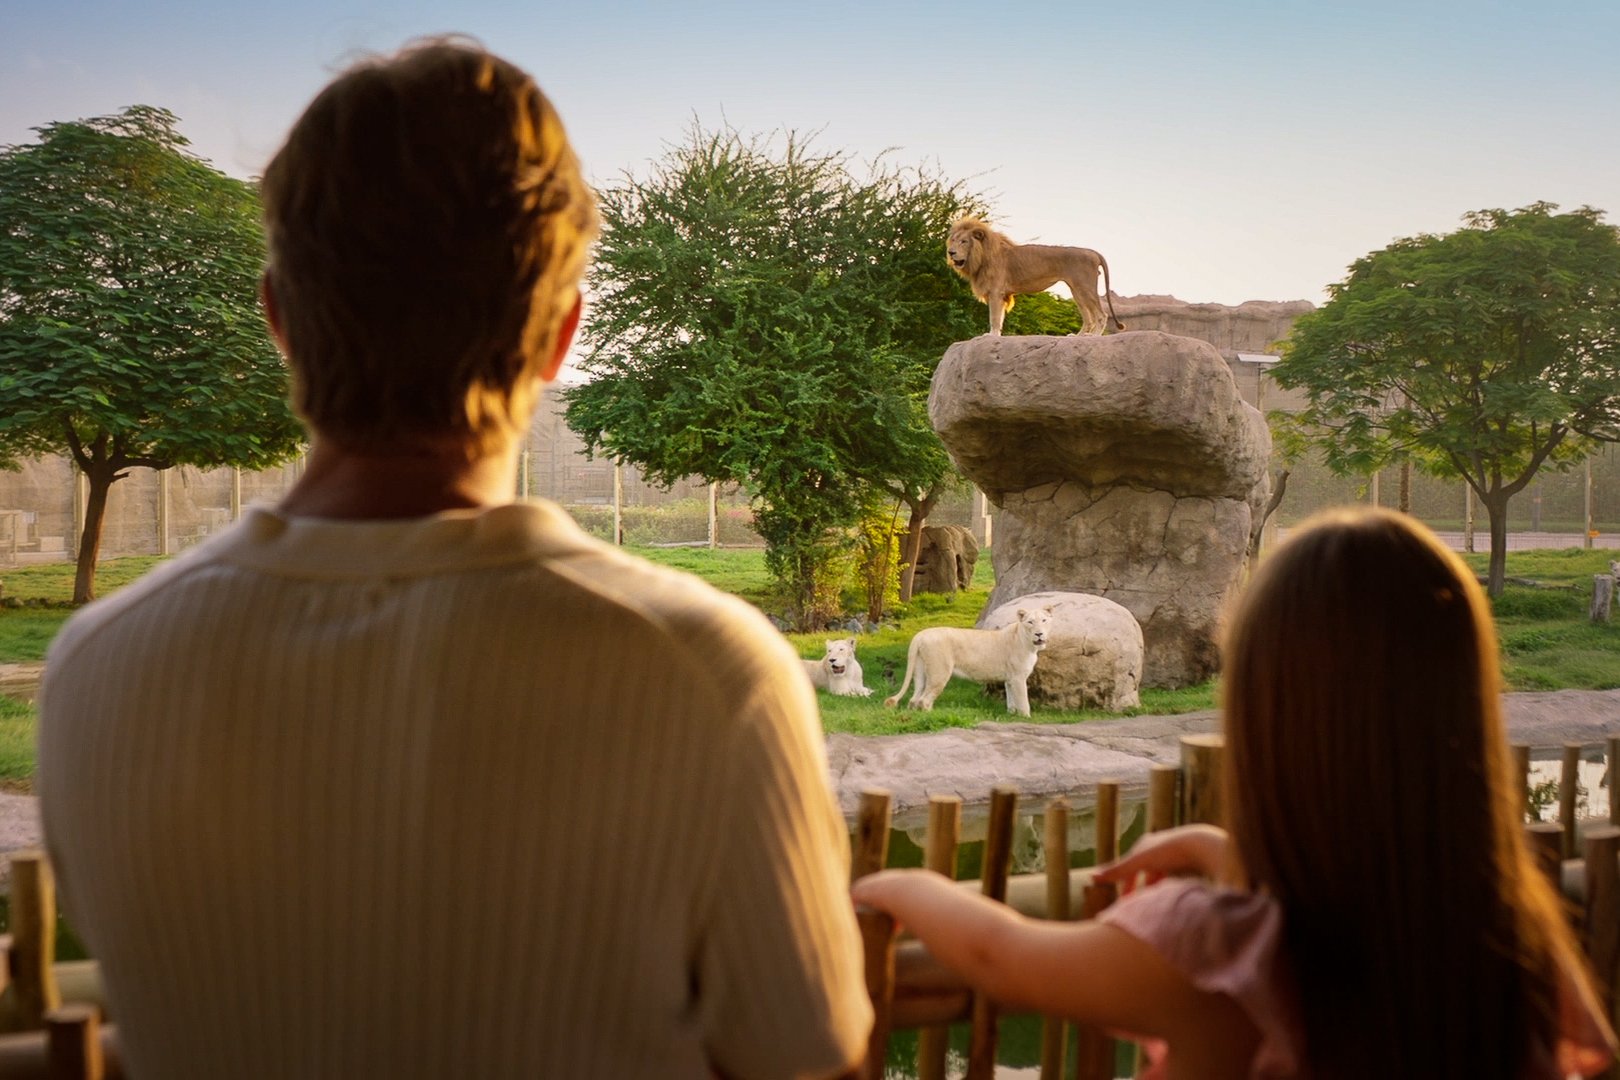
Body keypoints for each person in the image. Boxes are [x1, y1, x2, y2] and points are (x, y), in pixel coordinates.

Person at [39, 39, 870, 1079]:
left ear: (280, 320)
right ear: (561, 334)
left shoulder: (95, 673)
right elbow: (807, 1052)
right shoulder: (710, 675)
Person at [853, 507, 1617, 1079]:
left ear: (1260, 715)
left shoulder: (1218, 944)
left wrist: (894, 883)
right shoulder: (1516, 941)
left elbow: (998, 951)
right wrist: (1226, 856)